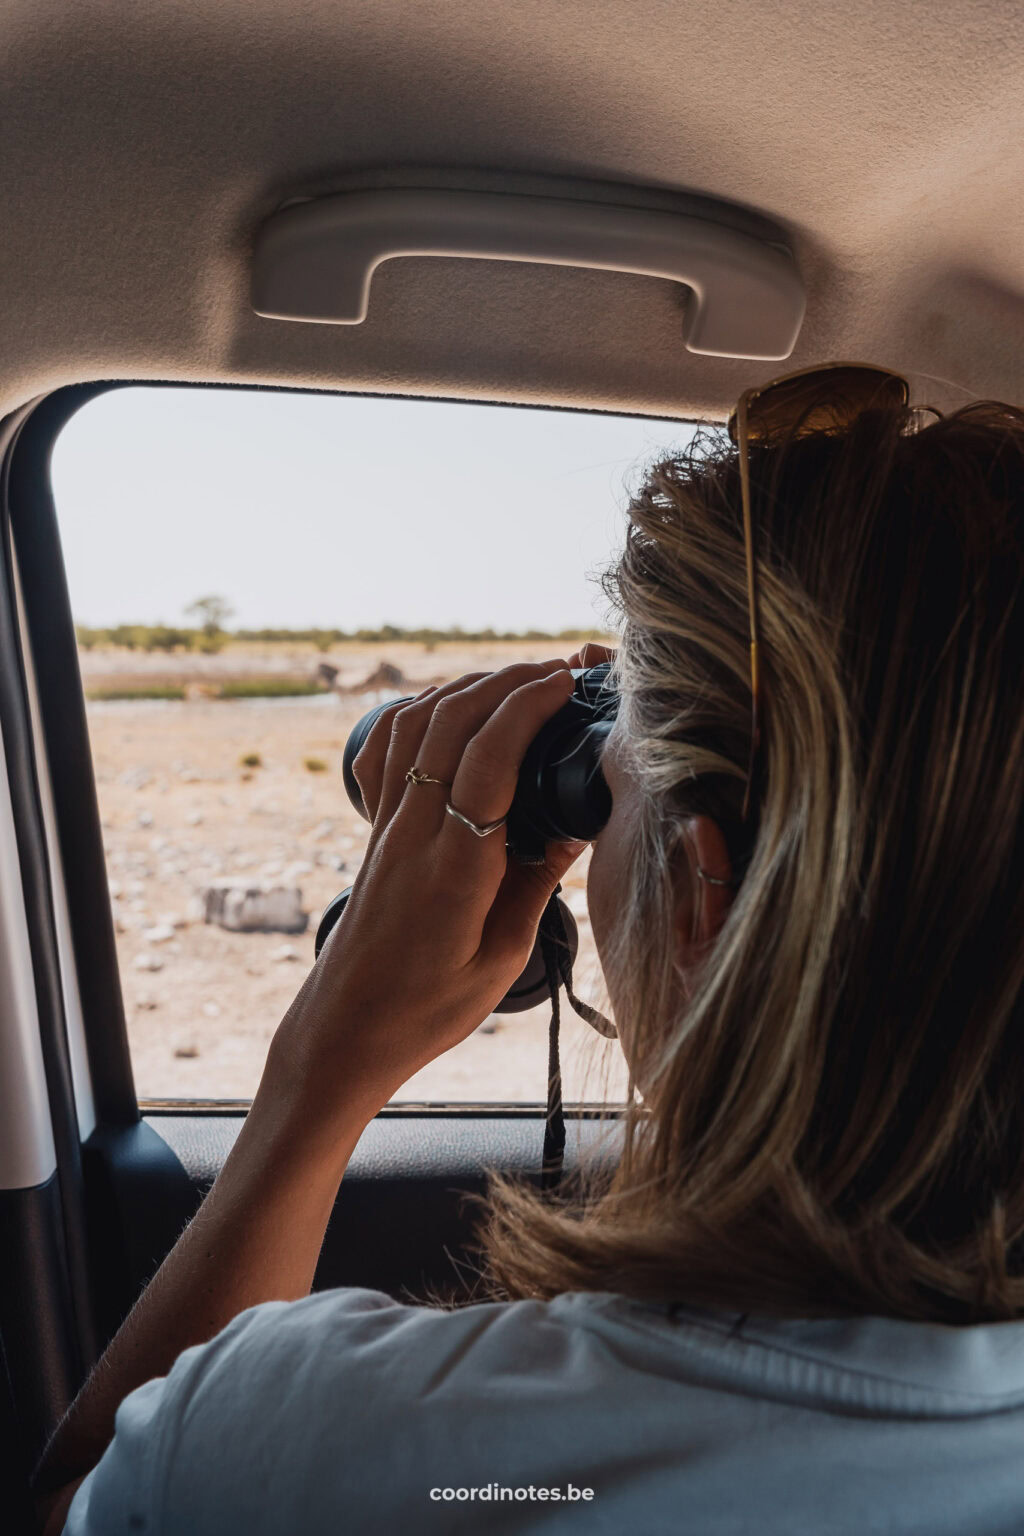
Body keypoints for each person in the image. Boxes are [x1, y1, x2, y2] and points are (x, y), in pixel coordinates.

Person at [37, 366, 1024, 1535]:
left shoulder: (331, 1446)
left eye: (607, 808)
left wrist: (319, 1081)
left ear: (705, 896)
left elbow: (77, 1509)